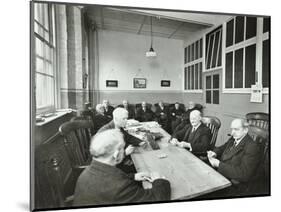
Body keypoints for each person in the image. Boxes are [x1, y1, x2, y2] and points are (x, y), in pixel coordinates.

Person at [73, 129, 171, 206]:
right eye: (122, 149)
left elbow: (108, 179)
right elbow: (156, 199)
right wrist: (159, 181)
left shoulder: (86, 172)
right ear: (116, 154)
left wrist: (133, 177)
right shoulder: (120, 187)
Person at [206, 118, 261, 196]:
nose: (232, 133)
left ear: (245, 130)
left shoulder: (252, 147)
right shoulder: (234, 138)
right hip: (220, 174)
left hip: (231, 183)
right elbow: (223, 147)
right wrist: (214, 152)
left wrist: (219, 164)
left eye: (236, 129)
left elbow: (244, 174)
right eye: (232, 129)